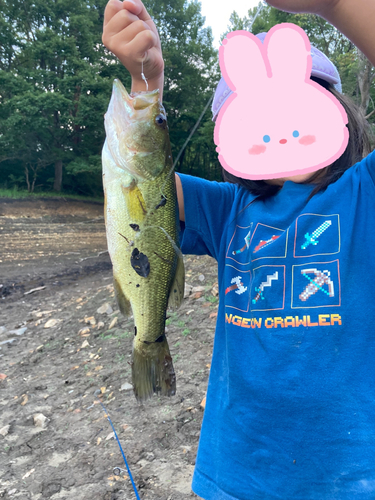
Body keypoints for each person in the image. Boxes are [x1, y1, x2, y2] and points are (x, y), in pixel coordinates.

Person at [102, 1, 375, 498]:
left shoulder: (365, 192)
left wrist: (338, 6)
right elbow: (141, 172)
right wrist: (147, 84)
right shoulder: (227, 209)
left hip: (350, 479)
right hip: (236, 471)